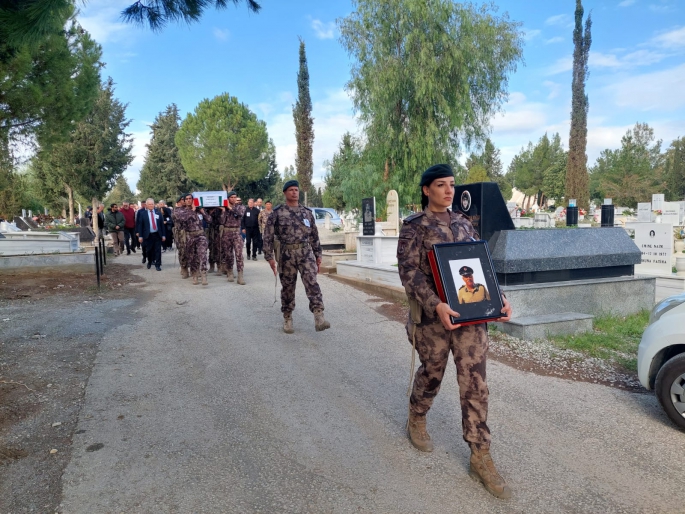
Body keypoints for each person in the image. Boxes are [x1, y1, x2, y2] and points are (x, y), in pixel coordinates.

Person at [397, 164, 512, 499]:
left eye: (451, 185)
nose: (449, 191)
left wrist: (499, 297)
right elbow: (408, 273)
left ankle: (480, 454)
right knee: (432, 372)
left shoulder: (464, 223)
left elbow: (481, 265)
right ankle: (417, 416)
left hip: (470, 317)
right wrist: (435, 304)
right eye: (440, 185)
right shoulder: (414, 228)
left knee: (475, 382)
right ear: (426, 190)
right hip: (434, 319)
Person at [262, 180, 330, 333]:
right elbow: (268, 236)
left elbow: (314, 235)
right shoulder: (278, 213)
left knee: (312, 283)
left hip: (306, 253)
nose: (294, 192)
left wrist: (318, 253)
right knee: (288, 287)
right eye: (291, 190)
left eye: (296, 190)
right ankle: (287, 317)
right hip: (287, 255)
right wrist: (269, 257)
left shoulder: (307, 212)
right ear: (285, 193)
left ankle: (319, 315)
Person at [174, 193, 211, 285]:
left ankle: (203, 274)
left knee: (202, 255)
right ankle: (194, 275)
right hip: (189, 236)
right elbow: (183, 219)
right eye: (186, 199)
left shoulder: (199, 210)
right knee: (192, 257)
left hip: (200, 235)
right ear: (184, 201)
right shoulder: (181, 211)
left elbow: (209, 220)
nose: (188, 200)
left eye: (190, 198)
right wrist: (193, 210)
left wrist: (202, 211)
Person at [219, 191, 246, 284]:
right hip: (226, 232)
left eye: (235, 197)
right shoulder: (224, 209)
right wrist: (223, 210)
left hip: (236, 232)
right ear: (228, 198)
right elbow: (221, 221)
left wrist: (229, 208)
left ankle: (240, 275)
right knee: (228, 254)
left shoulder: (240, 207)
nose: (234, 199)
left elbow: (240, 214)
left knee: (239, 254)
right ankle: (229, 271)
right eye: (232, 197)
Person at [136, 198, 166, 271]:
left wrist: (163, 235)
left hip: (157, 234)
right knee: (148, 250)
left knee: (158, 250)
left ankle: (158, 264)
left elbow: (162, 225)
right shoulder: (143, 214)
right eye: (149, 204)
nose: (151, 205)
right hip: (148, 235)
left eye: (152, 204)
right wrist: (140, 236)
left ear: (154, 204)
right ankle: (149, 261)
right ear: (146, 205)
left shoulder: (158, 213)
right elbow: (140, 225)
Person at [172, 194, 190, 279]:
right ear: (179, 201)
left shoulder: (190, 209)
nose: (185, 201)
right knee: (183, 251)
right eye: (183, 199)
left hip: (191, 233)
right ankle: (184, 268)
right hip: (181, 234)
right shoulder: (176, 210)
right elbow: (181, 218)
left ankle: (194, 269)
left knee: (192, 252)